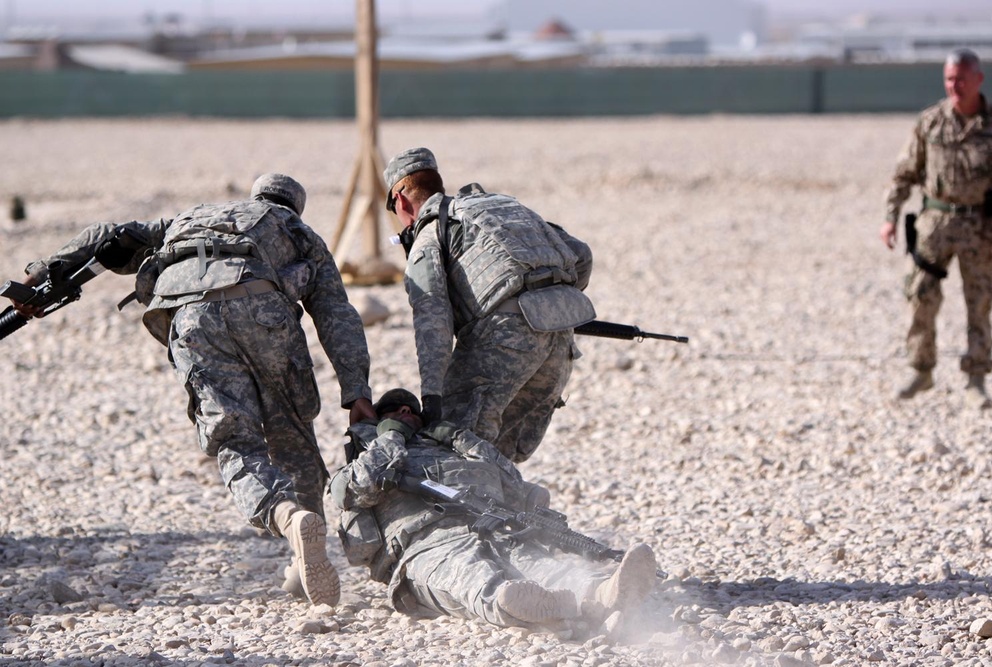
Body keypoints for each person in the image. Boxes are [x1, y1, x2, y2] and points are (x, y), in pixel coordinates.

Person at [9, 173, 377, 606]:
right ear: (293, 205)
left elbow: (106, 236)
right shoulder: (294, 227)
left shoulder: (191, 216)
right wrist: (357, 392)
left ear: (253, 196)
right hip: (262, 309)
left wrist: (41, 274)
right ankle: (301, 556)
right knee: (292, 434)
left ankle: (286, 516)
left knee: (234, 441)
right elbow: (336, 313)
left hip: (189, 317)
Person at [329, 388, 658, 635]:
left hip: (495, 527)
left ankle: (599, 594)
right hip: (428, 544)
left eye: (411, 409)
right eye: (394, 411)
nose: (405, 411)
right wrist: (389, 439)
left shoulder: (452, 447)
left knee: (543, 566)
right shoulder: (370, 457)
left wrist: (464, 440)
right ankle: (535, 607)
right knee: (476, 580)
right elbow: (354, 488)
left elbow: (514, 485)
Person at [383, 147, 595, 463]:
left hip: (503, 340)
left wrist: (433, 399)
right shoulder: (497, 207)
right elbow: (581, 253)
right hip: (560, 341)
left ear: (400, 201)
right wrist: (550, 303)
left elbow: (433, 322)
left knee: (453, 447)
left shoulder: (429, 233)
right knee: (499, 457)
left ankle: (468, 514)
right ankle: (513, 512)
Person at [880, 49, 992, 408]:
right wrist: (890, 217)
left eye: (962, 78)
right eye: (949, 78)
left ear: (978, 79)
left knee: (979, 303)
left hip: (979, 227)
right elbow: (904, 173)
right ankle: (921, 369)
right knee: (920, 294)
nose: (955, 85)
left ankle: (976, 379)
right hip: (934, 225)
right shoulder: (930, 122)